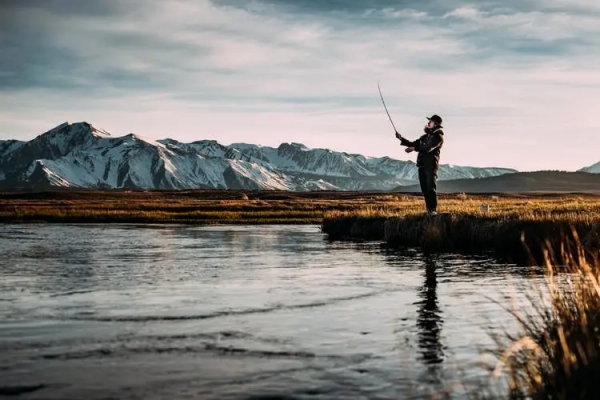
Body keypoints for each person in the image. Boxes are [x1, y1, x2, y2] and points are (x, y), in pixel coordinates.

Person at [396, 115, 444, 215]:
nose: (428, 123)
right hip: (422, 166)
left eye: (430, 121)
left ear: (436, 124)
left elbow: (428, 148)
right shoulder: (425, 136)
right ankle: (429, 211)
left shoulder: (438, 137)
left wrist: (414, 149)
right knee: (425, 189)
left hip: (430, 166)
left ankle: (433, 210)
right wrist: (401, 139)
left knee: (431, 188)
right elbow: (414, 143)